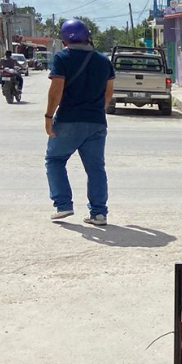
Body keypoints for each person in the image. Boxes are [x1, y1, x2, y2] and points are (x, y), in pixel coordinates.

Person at [45, 19, 115, 226]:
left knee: (55, 160)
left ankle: (63, 204)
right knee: (95, 168)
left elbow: (56, 90)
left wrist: (49, 116)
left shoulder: (62, 58)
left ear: (65, 39)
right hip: (96, 121)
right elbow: (108, 93)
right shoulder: (103, 61)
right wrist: (95, 112)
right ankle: (99, 213)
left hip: (67, 119)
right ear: (88, 36)